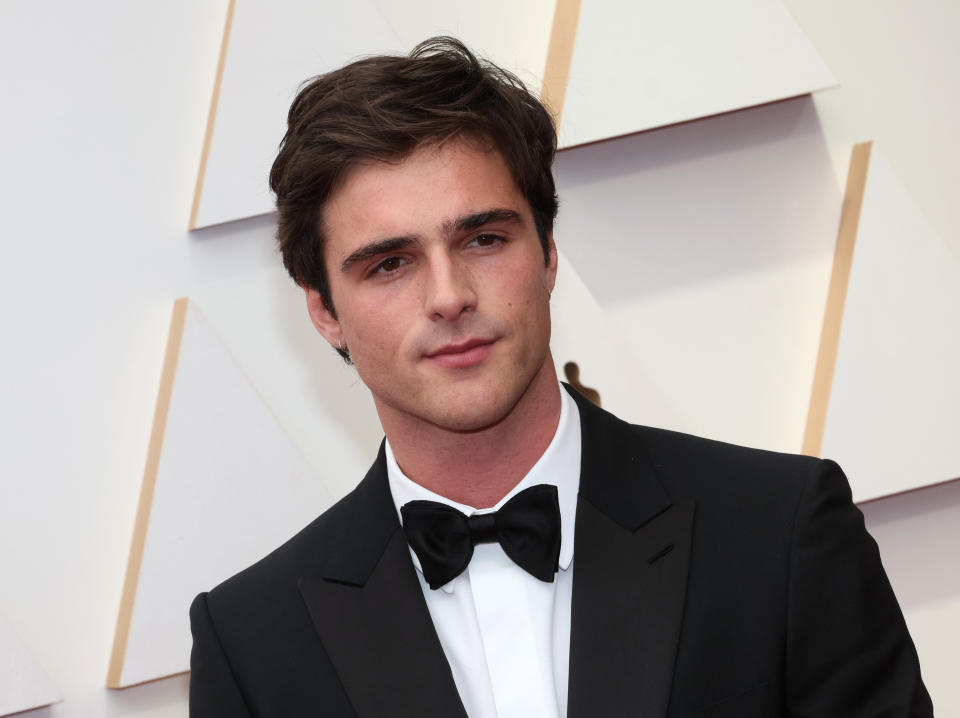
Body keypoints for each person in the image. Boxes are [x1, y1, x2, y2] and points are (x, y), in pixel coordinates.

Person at [188, 37, 932, 717]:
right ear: (323, 310)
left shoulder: (781, 533)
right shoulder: (254, 641)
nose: (449, 297)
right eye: (390, 263)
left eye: (482, 238)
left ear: (547, 252)